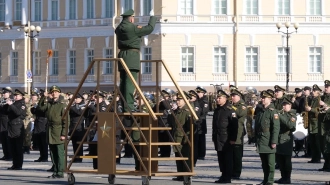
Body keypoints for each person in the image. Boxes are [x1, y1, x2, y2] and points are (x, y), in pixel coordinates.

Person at [115, 9, 156, 112]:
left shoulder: (119, 28)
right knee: (130, 82)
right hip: (132, 57)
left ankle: (122, 104)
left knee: (123, 82)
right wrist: (152, 18)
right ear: (131, 18)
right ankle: (129, 106)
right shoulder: (132, 28)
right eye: (133, 17)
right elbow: (149, 29)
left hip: (122, 55)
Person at [38, 85, 69, 178]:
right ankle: (55, 170)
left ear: (59, 93)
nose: (54, 93)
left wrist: (64, 133)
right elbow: (40, 109)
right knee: (52, 153)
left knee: (59, 153)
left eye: (56, 92)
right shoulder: (50, 103)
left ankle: (60, 172)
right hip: (50, 130)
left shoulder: (62, 104)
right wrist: (43, 97)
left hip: (58, 130)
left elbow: (66, 121)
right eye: (52, 92)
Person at [212, 89, 238, 184]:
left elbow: (234, 126)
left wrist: (232, 139)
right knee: (221, 159)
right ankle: (223, 175)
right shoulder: (217, 110)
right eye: (217, 98)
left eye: (220, 98)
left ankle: (227, 177)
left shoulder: (230, 110)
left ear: (225, 98)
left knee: (228, 159)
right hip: (218, 138)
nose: (218, 99)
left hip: (227, 139)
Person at [254, 90, 280, 185]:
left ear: (270, 99)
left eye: (264, 98)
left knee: (270, 163)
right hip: (261, 139)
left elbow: (276, 128)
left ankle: (270, 180)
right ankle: (265, 179)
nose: (262, 99)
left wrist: (274, 141)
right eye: (262, 98)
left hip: (268, 139)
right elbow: (257, 126)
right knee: (264, 162)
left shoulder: (273, 112)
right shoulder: (261, 111)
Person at [169, 91, 193, 182]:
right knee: (178, 157)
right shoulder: (177, 111)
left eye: (180, 100)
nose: (178, 102)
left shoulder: (188, 111)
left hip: (184, 138)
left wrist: (187, 138)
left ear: (186, 100)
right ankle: (180, 174)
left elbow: (190, 127)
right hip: (176, 137)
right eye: (177, 100)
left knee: (185, 157)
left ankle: (186, 175)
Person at [275, 97, 296, 184]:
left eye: (286, 105)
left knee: (286, 160)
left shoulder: (292, 115)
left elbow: (291, 126)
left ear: (290, 105)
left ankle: (287, 178)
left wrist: (281, 116)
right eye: (283, 105)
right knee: (280, 160)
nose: (284, 106)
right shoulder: (280, 113)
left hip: (286, 139)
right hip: (279, 139)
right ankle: (282, 177)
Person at [7, 89, 27, 170]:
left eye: (17, 95)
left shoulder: (22, 104)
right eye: (14, 95)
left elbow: (18, 113)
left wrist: (11, 105)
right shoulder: (15, 103)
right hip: (11, 126)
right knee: (13, 147)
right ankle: (14, 164)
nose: (15, 97)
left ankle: (19, 164)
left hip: (17, 127)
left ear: (21, 96)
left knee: (18, 147)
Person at [230, 88, 247, 180]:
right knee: (231, 154)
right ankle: (231, 170)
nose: (232, 97)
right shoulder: (232, 105)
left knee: (237, 155)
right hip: (231, 131)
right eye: (231, 96)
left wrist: (231, 107)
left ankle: (236, 172)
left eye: (234, 96)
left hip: (238, 132)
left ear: (239, 97)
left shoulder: (242, 105)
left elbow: (239, 113)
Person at [305, 84, 322, 163]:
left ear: (318, 92)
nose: (312, 92)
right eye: (312, 90)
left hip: (316, 123)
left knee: (317, 142)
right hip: (310, 123)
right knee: (311, 141)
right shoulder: (311, 99)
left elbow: (319, 110)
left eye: (314, 91)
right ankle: (314, 157)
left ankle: (317, 158)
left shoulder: (319, 100)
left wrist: (311, 109)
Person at [69, 93, 86, 163]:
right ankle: (75, 157)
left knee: (79, 144)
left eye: (77, 98)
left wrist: (71, 107)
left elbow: (79, 112)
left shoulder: (83, 105)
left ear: (81, 99)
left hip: (79, 127)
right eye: (75, 98)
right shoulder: (74, 105)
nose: (75, 100)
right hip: (73, 127)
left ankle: (79, 158)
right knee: (74, 144)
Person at [188, 90, 202, 166]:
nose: (190, 98)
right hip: (189, 128)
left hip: (195, 127)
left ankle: (193, 161)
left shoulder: (196, 105)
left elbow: (195, 115)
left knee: (194, 146)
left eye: (192, 97)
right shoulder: (189, 104)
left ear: (195, 97)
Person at [318, 80, 330, 171]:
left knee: (328, 145)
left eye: (327, 86)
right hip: (321, 125)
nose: (325, 88)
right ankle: (326, 164)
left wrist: (326, 106)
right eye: (325, 86)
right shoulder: (322, 97)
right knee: (322, 145)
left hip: (328, 125)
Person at [158, 89, 173, 157]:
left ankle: (166, 154)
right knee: (161, 139)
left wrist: (163, 101)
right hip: (160, 123)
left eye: (164, 96)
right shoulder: (161, 103)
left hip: (166, 123)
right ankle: (162, 152)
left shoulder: (169, 102)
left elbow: (168, 108)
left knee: (166, 140)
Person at [195, 86, 209, 160]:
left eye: (199, 92)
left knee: (201, 139)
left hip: (201, 122)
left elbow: (204, 111)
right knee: (197, 138)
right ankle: (197, 153)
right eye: (197, 92)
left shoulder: (205, 101)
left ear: (203, 93)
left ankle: (201, 154)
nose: (198, 94)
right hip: (196, 122)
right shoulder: (197, 100)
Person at [0, 87, 13, 161]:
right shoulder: (2, 101)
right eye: (3, 93)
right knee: (3, 139)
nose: (4, 94)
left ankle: (10, 155)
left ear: (9, 94)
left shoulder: (10, 101)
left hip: (7, 122)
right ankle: (6, 154)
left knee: (8, 139)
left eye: (5, 93)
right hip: (2, 122)